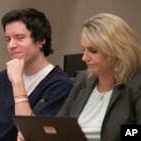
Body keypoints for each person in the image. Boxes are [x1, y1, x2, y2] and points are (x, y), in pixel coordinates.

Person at [0, 8, 72, 141]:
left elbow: (30, 134)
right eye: (8, 39)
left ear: (41, 40)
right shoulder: (3, 77)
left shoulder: (60, 84)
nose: (11, 45)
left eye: (19, 38)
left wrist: (17, 82)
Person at [58, 13, 141, 141]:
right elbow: (60, 126)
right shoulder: (83, 79)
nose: (84, 58)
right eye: (83, 50)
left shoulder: (137, 84)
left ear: (117, 50)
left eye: (93, 51)